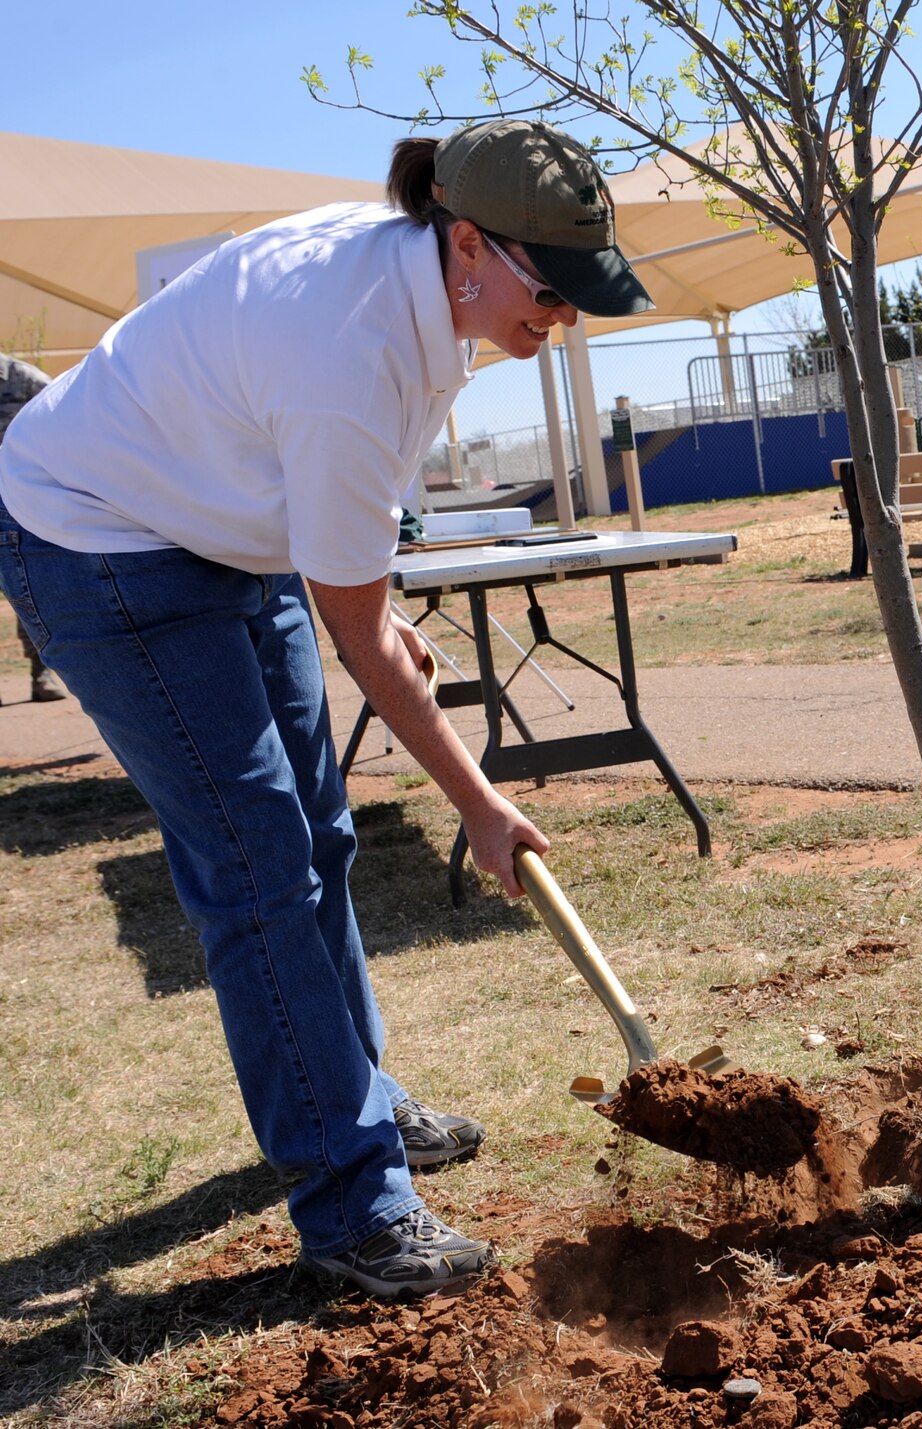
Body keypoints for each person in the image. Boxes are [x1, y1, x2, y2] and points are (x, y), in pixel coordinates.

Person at [0, 119, 654, 1295]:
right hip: (99, 534)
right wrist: (483, 806)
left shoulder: (427, 297)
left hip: (216, 525)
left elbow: (341, 555)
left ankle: (358, 1093)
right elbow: (360, 639)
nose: (560, 323)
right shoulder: (350, 340)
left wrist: (371, 597)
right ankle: (354, 1207)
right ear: (468, 245)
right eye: (552, 293)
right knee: (258, 866)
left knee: (323, 829)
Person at [0, 355, 66, 703]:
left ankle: (40, 675)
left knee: (26, 593)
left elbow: (65, 416)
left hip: (20, 505)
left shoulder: (23, 377)